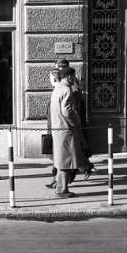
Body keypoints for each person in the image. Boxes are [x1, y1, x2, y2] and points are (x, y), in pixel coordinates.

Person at [50, 67, 84, 198]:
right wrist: (77, 121)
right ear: (69, 76)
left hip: (58, 129)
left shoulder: (57, 88)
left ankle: (60, 187)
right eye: (74, 76)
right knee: (66, 161)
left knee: (61, 161)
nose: (75, 78)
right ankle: (62, 190)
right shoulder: (67, 90)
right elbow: (67, 111)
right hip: (66, 130)